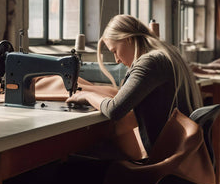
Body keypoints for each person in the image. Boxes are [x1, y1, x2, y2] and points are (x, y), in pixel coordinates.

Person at [66, 14, 203, 160]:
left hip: (167, 157)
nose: (116, 59)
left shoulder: (150, 62)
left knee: (77, 159)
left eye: (114, 51)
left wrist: (87, 95)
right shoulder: (168, 53)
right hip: (180, 150)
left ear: (128, 39)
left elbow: (114, 110)